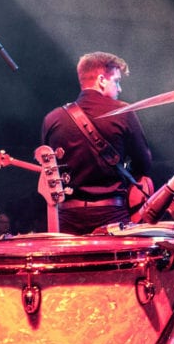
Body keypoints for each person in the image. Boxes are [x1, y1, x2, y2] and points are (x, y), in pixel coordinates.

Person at [41, 51, 152, 234]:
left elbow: (50, 171)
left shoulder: (52, 119)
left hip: (67, 221)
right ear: (101, 80)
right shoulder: (123, 112)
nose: (119, 89)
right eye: (116, 81)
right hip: (112, 217)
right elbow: (144, 165)